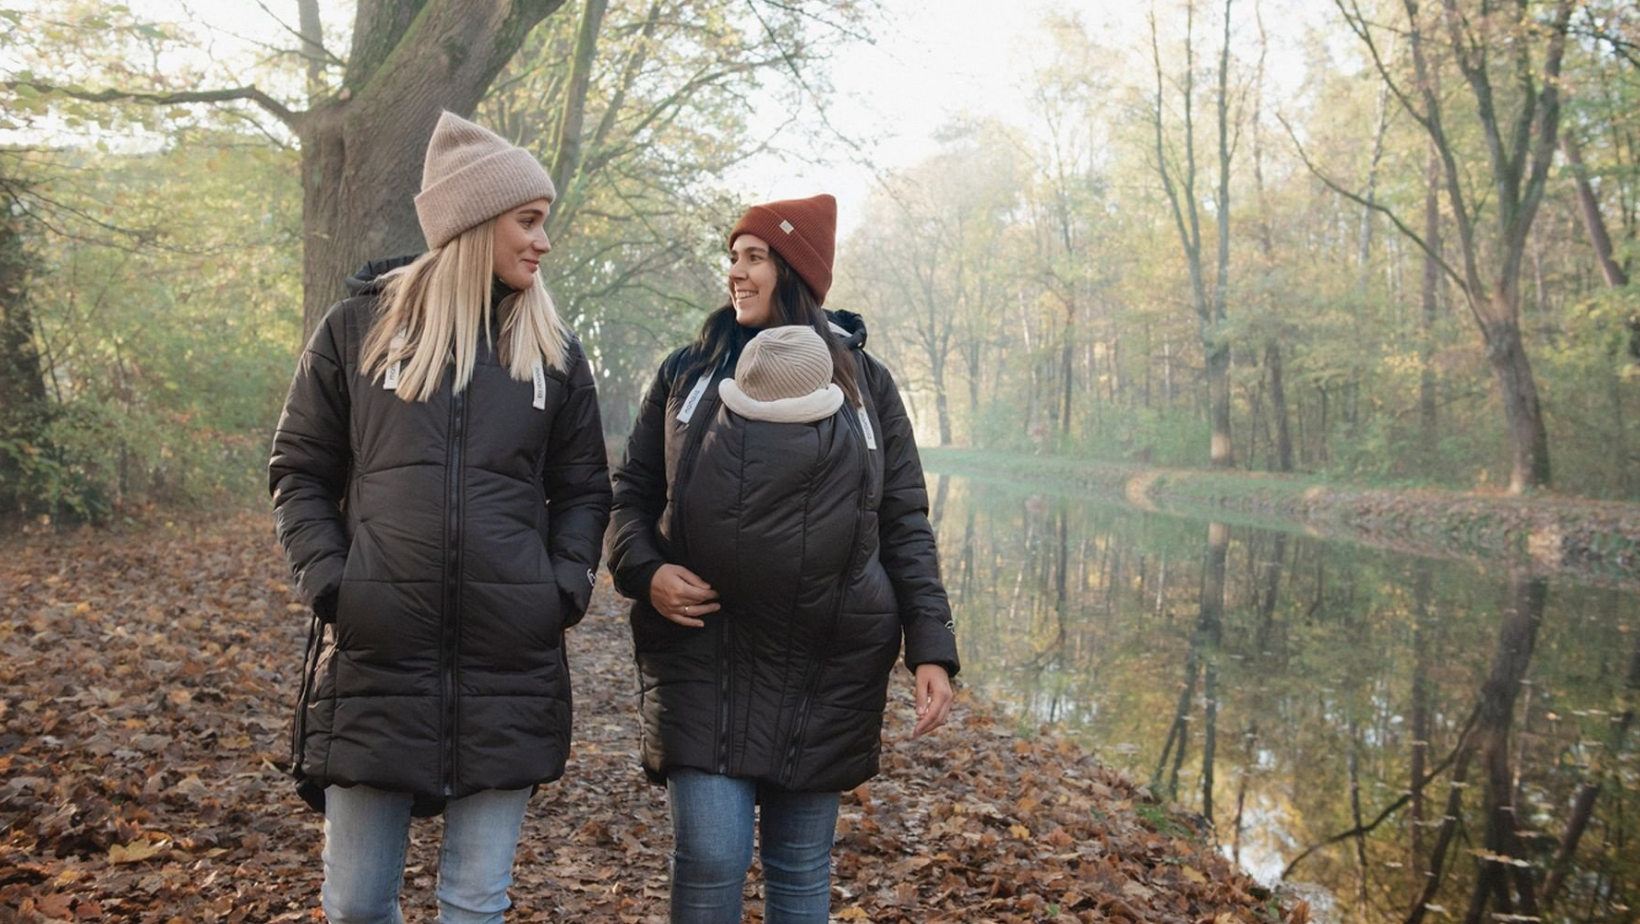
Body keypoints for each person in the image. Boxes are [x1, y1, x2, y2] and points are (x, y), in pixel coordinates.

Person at [268, 111, 612, 924]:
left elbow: (585, 490)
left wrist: (558, 589)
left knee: (474, 903)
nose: (543, 242)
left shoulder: (554, 352)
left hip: (508, 664)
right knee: (356, 904)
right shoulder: (356, 332)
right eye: (528, 221)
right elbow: (300, 470)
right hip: (377, 657)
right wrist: (334, 583)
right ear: (473, 222)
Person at [606, 193, 959, 924]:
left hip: (825, 665)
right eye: (733, 257)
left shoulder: (865, 384)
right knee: (712, 859)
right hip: (704, 655)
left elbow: (902, 520)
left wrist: (931, 646)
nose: (735, 272)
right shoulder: (689, 371)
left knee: (799, 873)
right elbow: (630, 494)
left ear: (796, 270)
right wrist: (645, 571)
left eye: (755, 257)